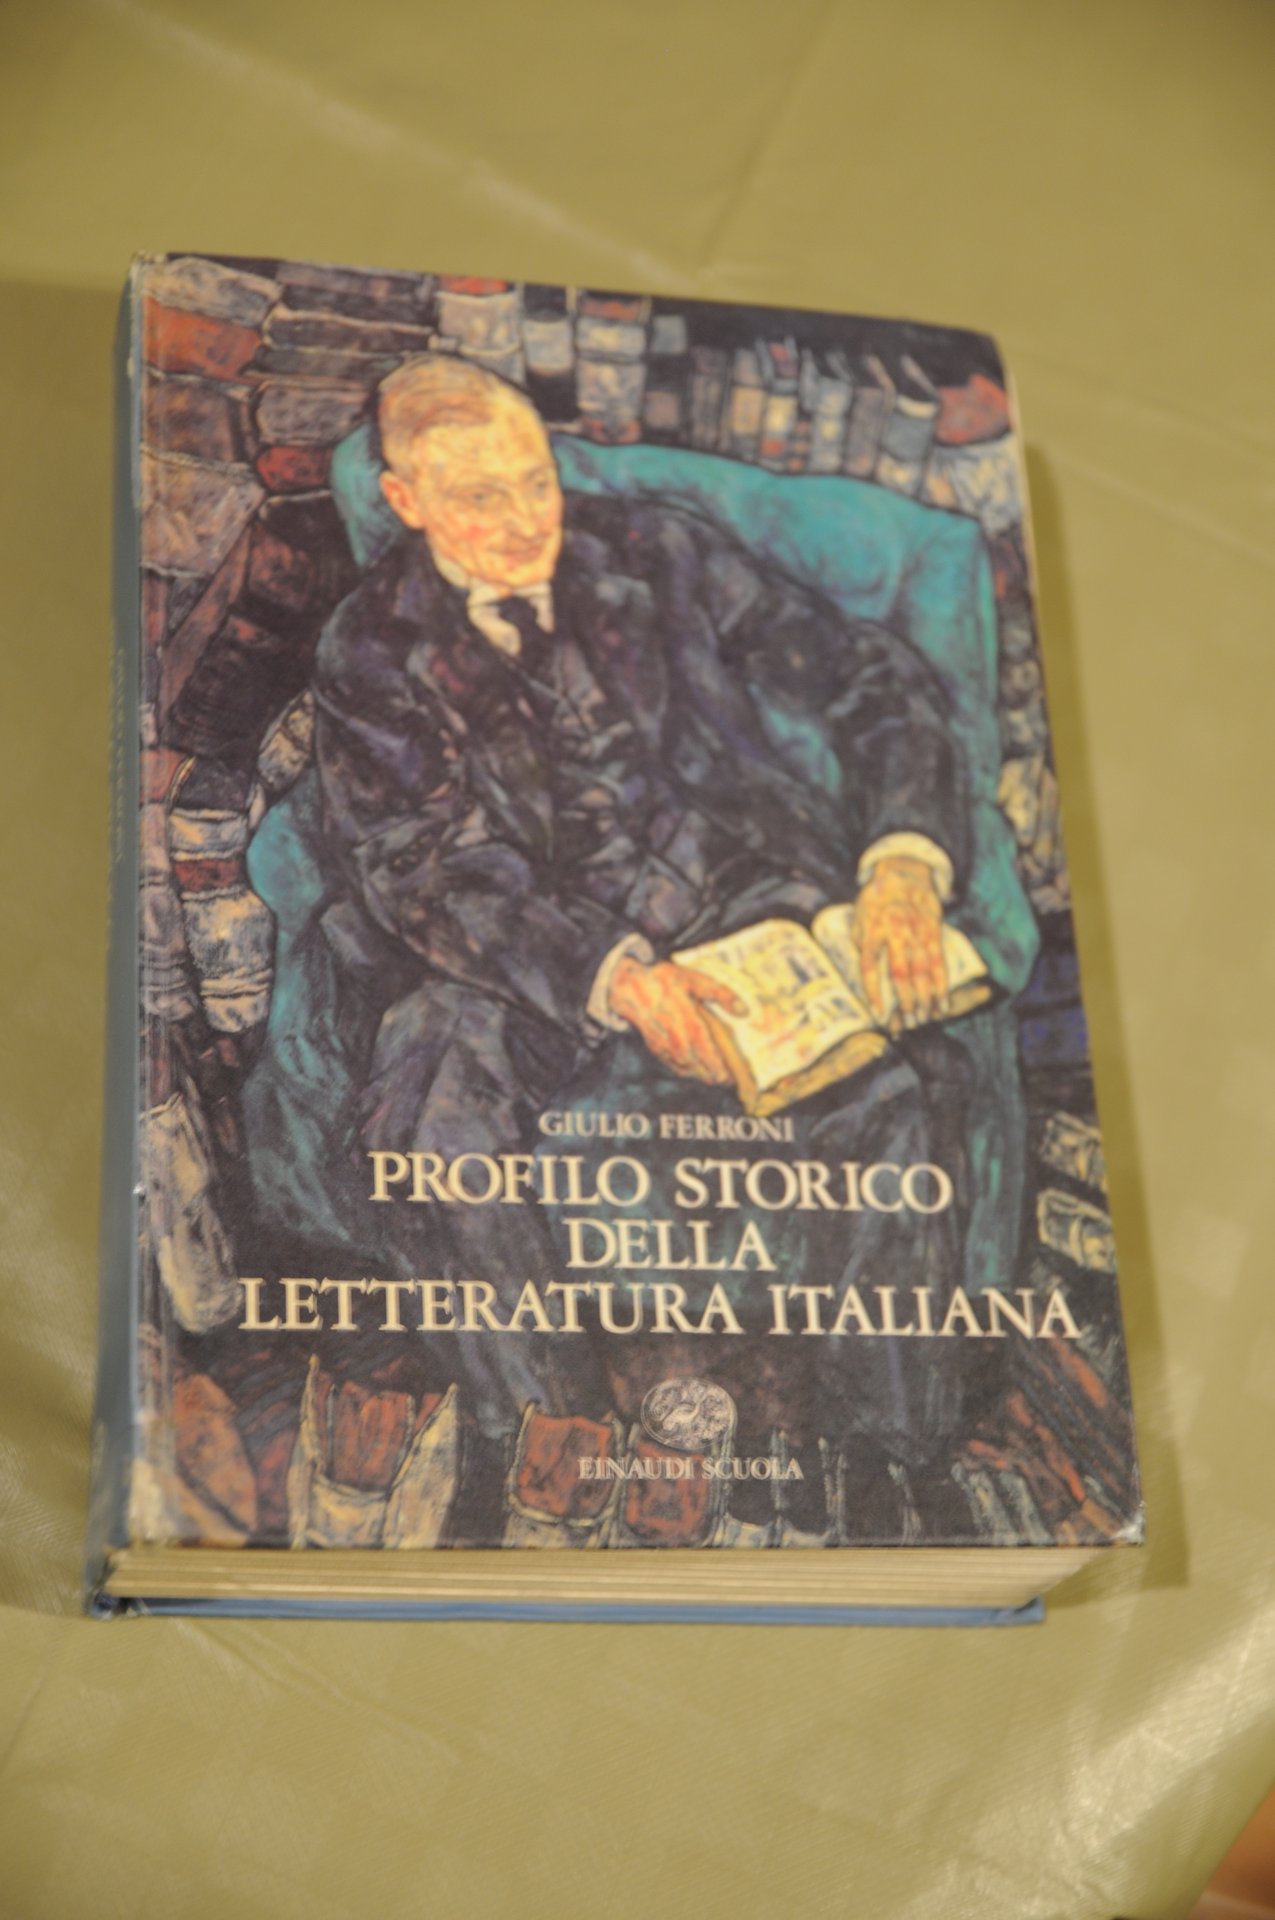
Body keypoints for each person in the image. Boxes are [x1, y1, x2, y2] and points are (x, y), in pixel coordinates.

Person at [298, 353, 978, 1530]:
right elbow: (421, 864)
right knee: (432, 1119)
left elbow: (868, 674)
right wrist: (614, 975)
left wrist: (905, 862)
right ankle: (550, 1435)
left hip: (735, 900)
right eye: (481, 498)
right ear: (406, 501)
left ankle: (890, 1455)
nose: (527, 523)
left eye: (536, 481)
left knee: (893, 1097)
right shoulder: (368, 648)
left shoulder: (657, 553)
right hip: (519, 952)